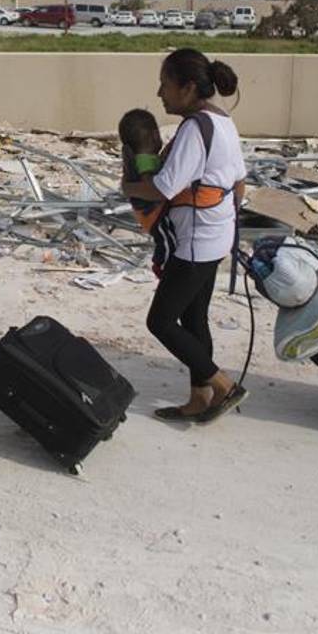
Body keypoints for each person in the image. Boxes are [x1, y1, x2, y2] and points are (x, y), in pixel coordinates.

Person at [122, 48, 249, 423]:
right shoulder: (222, 120)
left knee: (160, 322)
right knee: (195, 319)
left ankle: (224, 386)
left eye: (165, 85)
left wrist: (127, 187)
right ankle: (199, 399)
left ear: (188, 87)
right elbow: (239, 182)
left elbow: (162, 188)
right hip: (216, 236)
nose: (160, 93)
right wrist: (224, 219)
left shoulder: (195, 129)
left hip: (196, 243)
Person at [118, 108, 176, 277]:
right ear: (154, 136)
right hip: (155, 214)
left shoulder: (145, 157)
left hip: (154, 213)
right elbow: (149, 185)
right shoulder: (144, 160)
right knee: (166, 240)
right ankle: (162, 264)